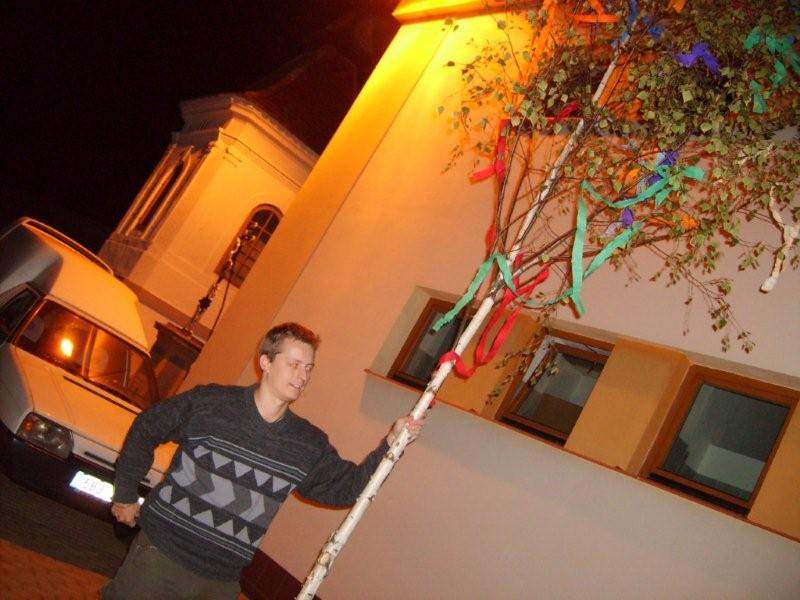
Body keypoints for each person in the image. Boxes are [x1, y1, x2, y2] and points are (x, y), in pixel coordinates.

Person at [103, 322, 423, 599]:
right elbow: (147, 427)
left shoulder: (306, 443)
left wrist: (391, 444)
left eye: (309, 367)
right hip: (160, 558)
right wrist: (126, 493)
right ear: (266, 362)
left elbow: (348, 488)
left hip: (221, 582)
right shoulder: (211, 403)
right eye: (294, 364)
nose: (303, 375)